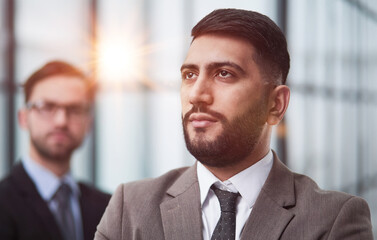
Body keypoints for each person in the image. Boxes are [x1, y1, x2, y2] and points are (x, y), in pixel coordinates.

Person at [95, 9, 373, 240]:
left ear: (275, 104)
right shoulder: (128, 209)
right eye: (190, 74)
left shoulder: (335, 220)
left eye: (224, 74)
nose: (197, 95)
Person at [0, 60, 111, 240]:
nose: (61, 121)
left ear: (88, 123)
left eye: (74, 109)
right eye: (47, 107)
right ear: (23, 118)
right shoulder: (3, 204)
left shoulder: (110, 207)